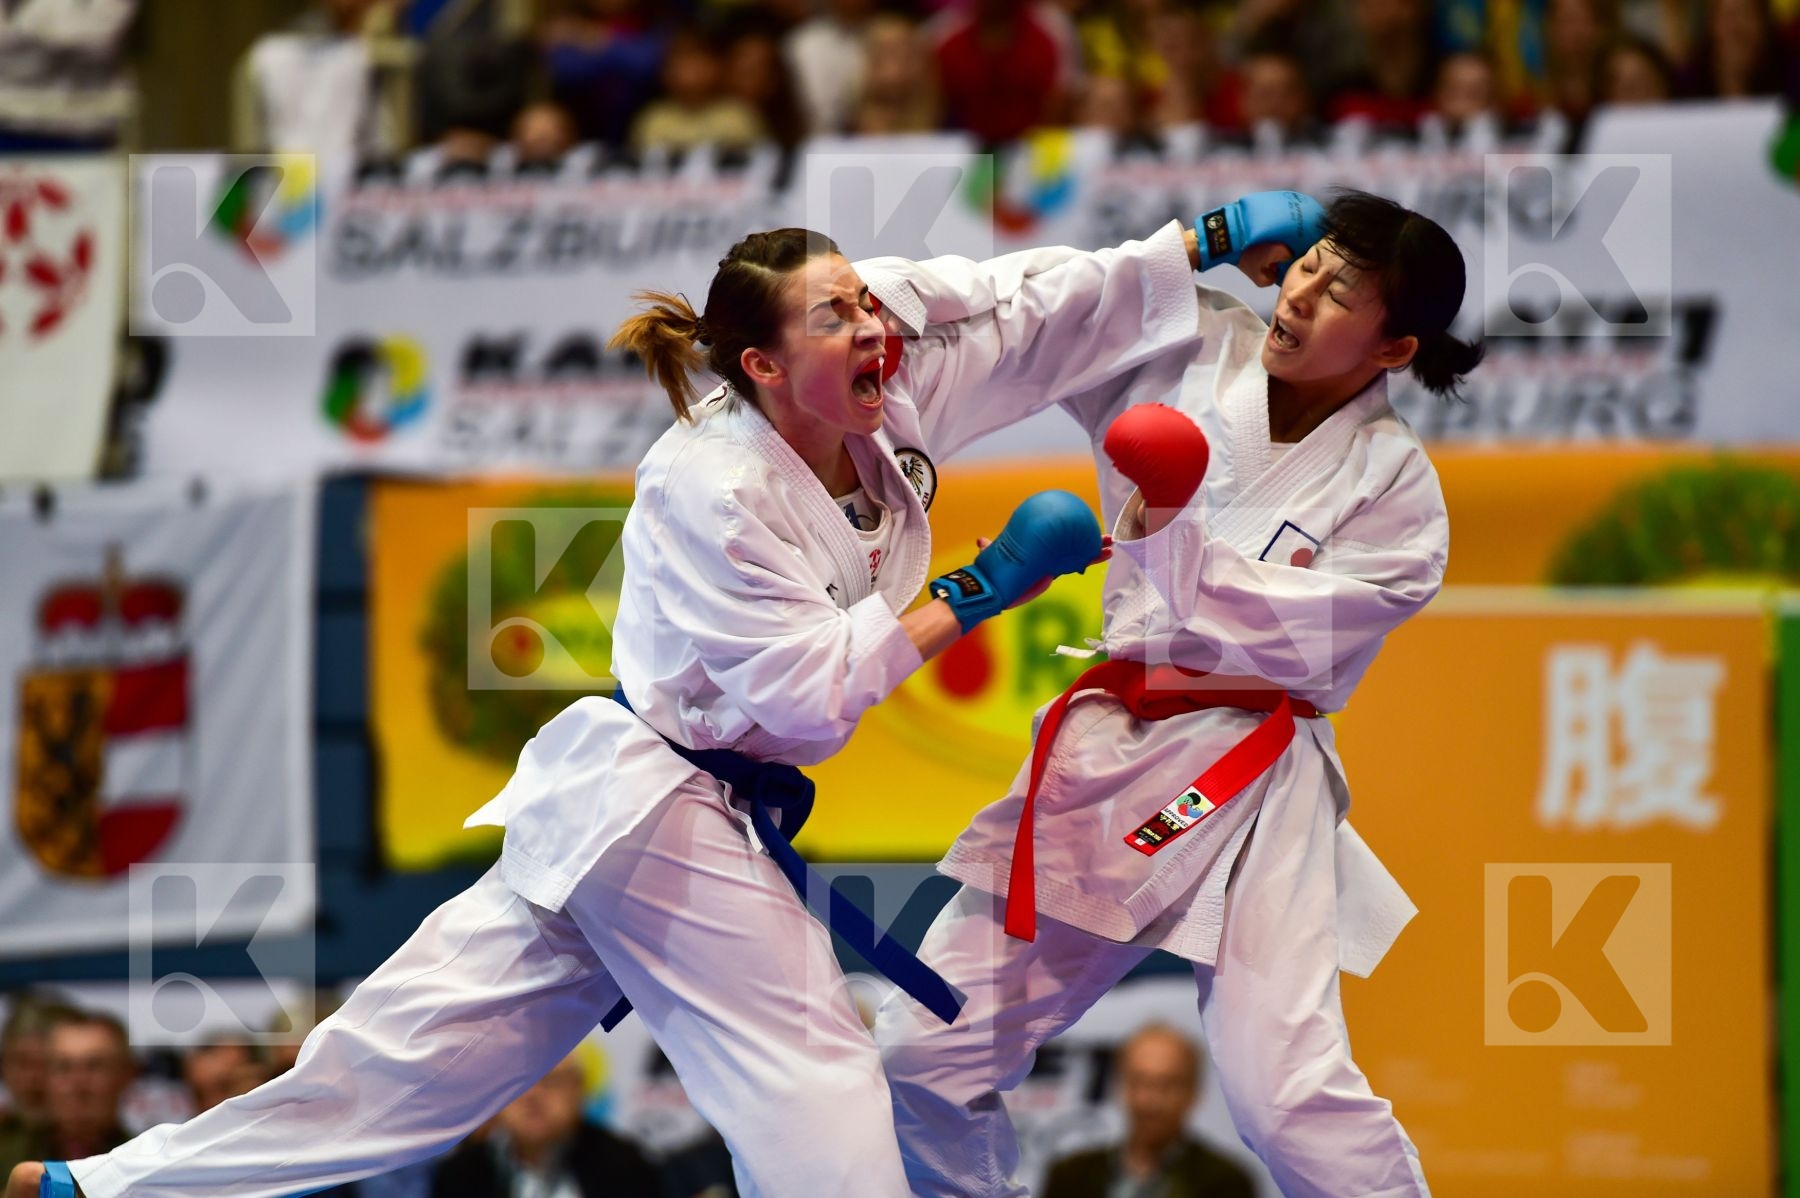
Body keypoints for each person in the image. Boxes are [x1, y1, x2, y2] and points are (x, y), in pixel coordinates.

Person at [10, 215, 1218, 1198]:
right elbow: (805, 695)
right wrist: (975, 587)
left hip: (627, 818)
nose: (873, 327)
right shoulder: (713, 485)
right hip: (667, 810)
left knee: (411, 1067)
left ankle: (97, 1190)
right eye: (836, 315)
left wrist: (1196, 243)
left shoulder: (878, 387)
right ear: (760, 364)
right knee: (823, 1086)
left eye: (866, 302)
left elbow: (1022, 305)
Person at [869, 189, 1482, 1197]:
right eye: (1309, 265)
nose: (1304, 293)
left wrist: (1163, 533)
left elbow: (1294, 636)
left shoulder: (1399, 494)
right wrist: (1186, 251)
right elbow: (1046, 317)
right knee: (921, 1050)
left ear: (1393, 350)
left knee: (1285, 1101)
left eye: (1343, 293)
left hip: (1254, 786)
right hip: (1112, 756)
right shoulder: (1186, 345)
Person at [1040, 1023, 1253, 1198]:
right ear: (1121, 1085)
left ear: (1193, 1091)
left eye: (1168, 1084)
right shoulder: (1070, 1176)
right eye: (1139, 1082)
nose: (1151, 1100)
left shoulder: (1225, 1182)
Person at [428, 1053, 662, 1198]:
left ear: (577, 1089)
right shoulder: (461, 1172)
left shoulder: (625, 1165)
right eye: (519, 1084)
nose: (532, 1095)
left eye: (550, 1081)